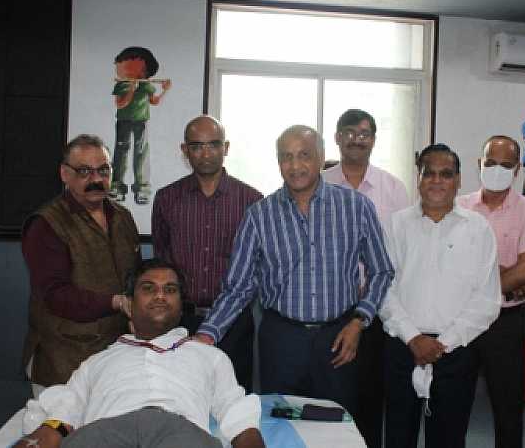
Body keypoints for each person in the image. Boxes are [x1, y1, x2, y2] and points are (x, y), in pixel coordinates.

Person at [196, 125, 394, 418]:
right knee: (280, 422)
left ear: (321, 157)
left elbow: (381, 271)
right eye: (286, 157)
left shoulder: (356, 207)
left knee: (336, 425)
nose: (295, 165)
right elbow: (238, 288)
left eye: (304, 155)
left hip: (339, 338)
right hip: (281, 340)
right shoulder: (259, 215)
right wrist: (207, 334)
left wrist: (359, 321)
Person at [13, 258, 264, 448]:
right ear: (130, 304)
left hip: (179, 431)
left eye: (170, 290)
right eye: (148, 288)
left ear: (181, 308)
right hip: (106, 431)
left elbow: (235, 411)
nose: (160, 296)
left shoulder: (209, 356)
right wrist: (38, 438)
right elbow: (65, 410)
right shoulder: (98, 361)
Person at [380, 143, 502, 448]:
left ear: (458, 180)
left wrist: (444, 343)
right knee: (397, 436)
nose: (437, 181)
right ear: (418, 178)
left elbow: (487, 299)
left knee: (449, 438)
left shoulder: (478, 229)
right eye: (429, 173)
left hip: (456, 352)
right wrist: (413, 338)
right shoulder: (395, 225)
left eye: (446, 174)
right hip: (402, 347)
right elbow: (383, 288)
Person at [21, 134, 140, 395]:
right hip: (63, 363)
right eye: (84, 171)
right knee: (59, 423)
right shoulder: (46, 224)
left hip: (116, 357)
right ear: (65, 174)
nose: (96, 179)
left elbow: (135, 278)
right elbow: (55, 295)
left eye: (103, 170)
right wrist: (116, 302)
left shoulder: (122, 217)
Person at [152, 115, 263, 391]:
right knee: (178, 396)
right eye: (197, 146)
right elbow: (162, 259)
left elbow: (257, 268)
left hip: (234, 322)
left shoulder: (252, 200)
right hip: (179, 321)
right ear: (185, 150)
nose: (206, 153)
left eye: (213, 145)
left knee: (232, 401)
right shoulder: (167, 198)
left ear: (226, 148)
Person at [322, 108, 410, 448]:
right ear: (337, 137)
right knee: (331, 395)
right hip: (330, 308)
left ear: (373, 140)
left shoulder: (393, 188)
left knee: (371, 395)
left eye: (364, 133)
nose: (356, 139)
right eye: (349, 132)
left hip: (378, 309)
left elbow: (402, 249)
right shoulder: (320, 182)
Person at [457, 135, 525, 448]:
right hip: (459, 320)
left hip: (504, 323)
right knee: (451, 406)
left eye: (506, 165)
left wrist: (481, 277)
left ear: (517, 170)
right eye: (491, 163)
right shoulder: (459, 206)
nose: (497, 170)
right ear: (479, 164)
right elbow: (451, 267)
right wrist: (506, 276)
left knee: (508, 409)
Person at [109, 46, 171, 204]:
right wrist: (131, 89)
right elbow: (120, 104)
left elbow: (154, 101)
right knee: (121, 151)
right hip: (123, 121)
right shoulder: (122, 85)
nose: (120, 70)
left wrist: (165, 91)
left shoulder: (146, 85)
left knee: (141, 152)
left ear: (144, 72)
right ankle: (117, 186)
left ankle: (142, 188)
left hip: (141, 121)